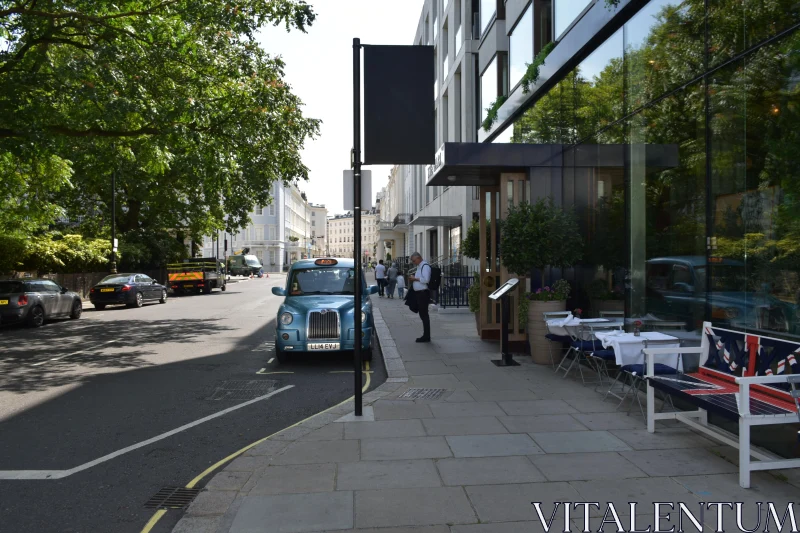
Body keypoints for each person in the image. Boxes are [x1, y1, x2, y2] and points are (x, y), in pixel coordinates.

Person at [409, 252, 431, 342]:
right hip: (419, 293)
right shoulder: (419, 266)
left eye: (414, 260)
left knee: (424, 315)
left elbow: (426, 280)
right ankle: (426, 335)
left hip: (423, 294)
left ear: (419, 258)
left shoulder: (425, 266)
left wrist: (415, 279)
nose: (414, 262)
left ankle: (426, 336)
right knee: (422, 314)